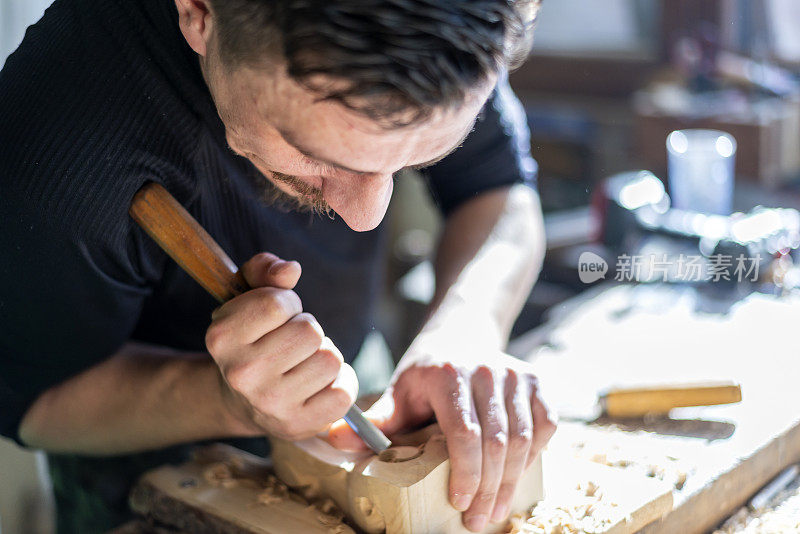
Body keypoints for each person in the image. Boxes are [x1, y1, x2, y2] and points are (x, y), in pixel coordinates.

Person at [0, 0, 556, 532]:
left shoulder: (437, 27)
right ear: (199, 11)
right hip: (143, 456)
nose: (366, 218)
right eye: (319, 158)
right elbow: (32, 401)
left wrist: (462, 330)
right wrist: (224, 401)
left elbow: (495, 186)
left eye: (417, 158)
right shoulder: (52, 158)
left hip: (353, 375)